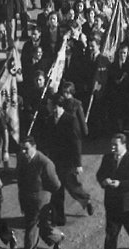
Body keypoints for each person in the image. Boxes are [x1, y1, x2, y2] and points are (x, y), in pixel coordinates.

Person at [38, 95, 93, 226]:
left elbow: (76, 142)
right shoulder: (50, 120)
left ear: (57, 105)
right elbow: (47, 140)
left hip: (68, 161)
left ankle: (85, 200)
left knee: (72, 186)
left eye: (49, 104)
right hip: (54, 160)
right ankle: (59, 218)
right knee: (56, 189)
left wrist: (78, 164)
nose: (48, 107)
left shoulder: (71, 120)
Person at [16, 135, 65, 249]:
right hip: (26, 199)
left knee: (31, 229)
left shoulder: (45, 163)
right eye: (22, 149)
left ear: (34, 147)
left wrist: (44, 195)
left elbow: (56, 185)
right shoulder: (22, 158)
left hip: (40, 202)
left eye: (26, 149)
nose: (24, 152)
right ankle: (57, 237)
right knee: (43, 227)